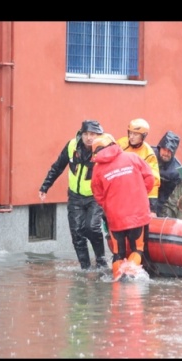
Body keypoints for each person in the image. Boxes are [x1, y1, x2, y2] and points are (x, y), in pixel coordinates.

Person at [38, 120, 107, 270]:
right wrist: (45, 186)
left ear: (99, 136)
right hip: (75, 197)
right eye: (86, 134)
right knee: (77, 233)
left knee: (92, 228)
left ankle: (101, 262)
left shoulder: (104, 149)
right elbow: (58, 167)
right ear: (81, 135)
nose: (89, 138)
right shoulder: (72, 146)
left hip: (95, 197)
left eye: (93, 134)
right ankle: (85, 267)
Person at [90, 133, 155, 281]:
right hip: (138, 215)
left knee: (118, 254)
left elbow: (98, 195)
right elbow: (150, 178)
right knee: (137, 249)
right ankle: (131, 274)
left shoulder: (97, 169)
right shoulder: (132, 158)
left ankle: (118, 281)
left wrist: (111, 206)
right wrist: (140, 195)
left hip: (115, 218)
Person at [117, 118, 160, 218]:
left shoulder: (148, 154)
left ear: (143, 136)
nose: (131, 137)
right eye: (130, 133)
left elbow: (154, 181)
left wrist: (152, 209)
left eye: (135, 134)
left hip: (135, 197)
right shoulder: (120, 144)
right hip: (119, 193)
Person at [151, 131, 182, 216]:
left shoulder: (176, 170)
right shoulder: (149, 154)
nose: (166, 153)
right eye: (164, 149)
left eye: (170, 151)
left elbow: (173, 196)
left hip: (161, 205)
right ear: (160, 147)